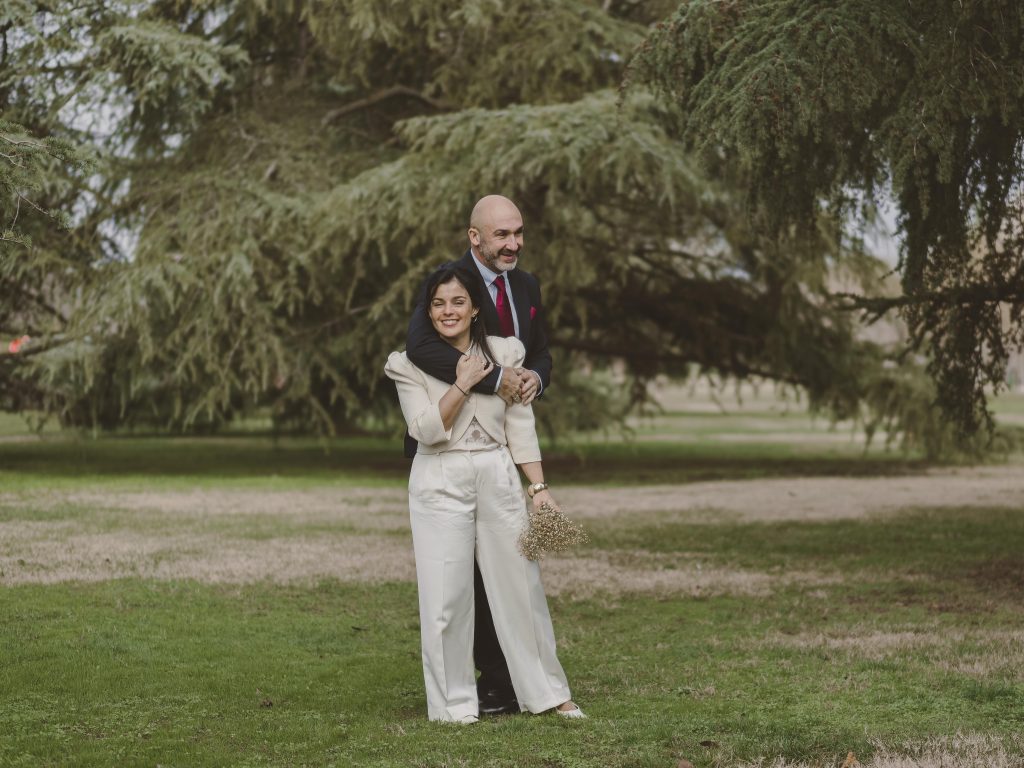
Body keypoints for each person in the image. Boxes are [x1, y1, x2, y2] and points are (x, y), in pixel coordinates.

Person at [385, 265, 584, 723]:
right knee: (445, 595)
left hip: (496, 474)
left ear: (476, 307)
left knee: (522, 587)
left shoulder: (507, 351)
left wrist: (538, 488)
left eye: (458, 302)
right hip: (438, 479)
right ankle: (454, 706)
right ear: (427, 311)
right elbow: (426, 431)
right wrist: (464, 383)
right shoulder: (407, 363)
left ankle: (548, 693)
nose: (448, 311)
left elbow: (520, 427)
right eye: (438, 303)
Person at [405, 195, 551, 715]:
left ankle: (514, 683)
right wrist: (495, 379)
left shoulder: (527, 285)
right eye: (501, 235)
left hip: (499, 447)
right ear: (475, 238)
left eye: (518, 232)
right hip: (447, 448)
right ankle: (490, 685)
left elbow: (539, 350)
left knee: (510, 574)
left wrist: (534, 376)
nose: (512, 243)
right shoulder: (450, 286)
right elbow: (421, 349)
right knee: (461, 581)